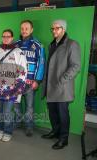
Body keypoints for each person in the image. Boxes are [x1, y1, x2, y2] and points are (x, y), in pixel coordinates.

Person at [41, 19, 81, 150]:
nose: (54, 31)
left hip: (62, 87)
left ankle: (64, 139)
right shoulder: (52, 45)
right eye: (52, 29)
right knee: (52, 112)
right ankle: (55, 132)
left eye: (56, 28)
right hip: (50, 86)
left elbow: (76, 66)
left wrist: (63, 79)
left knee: (63, 114)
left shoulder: (72, 44)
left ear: (63, 29)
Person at [0, 29, 27, 142]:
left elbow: (23, 70)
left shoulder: (18, 52)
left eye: (8, 36)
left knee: (8, 112)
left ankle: (8, 132)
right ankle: (0, 129)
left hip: (11, 89)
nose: (6, 38)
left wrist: (19, 87)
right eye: (4, 36)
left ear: (12, 37)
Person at [14, 20, 45, 137]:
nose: (24, 31)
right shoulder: (16, 44)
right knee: (16, 104)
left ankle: (28, 126)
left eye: (26, 28)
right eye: (22, 28)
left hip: (30, 82)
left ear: (31, 30)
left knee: (29, 106)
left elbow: (41, 64)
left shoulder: (37, 45)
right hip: (16, 82)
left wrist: (37, 80)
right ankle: (17, 122)